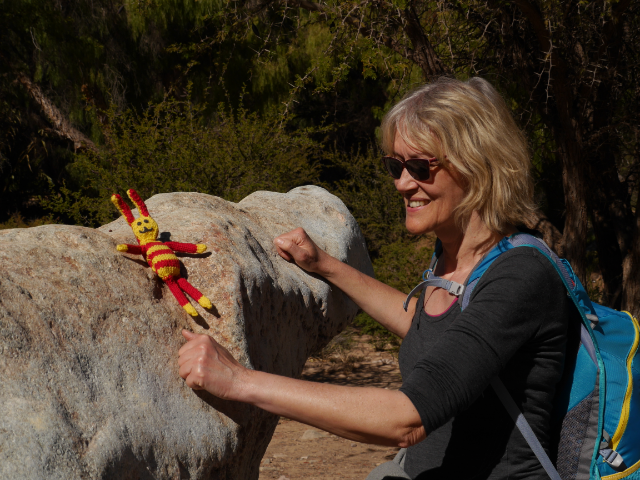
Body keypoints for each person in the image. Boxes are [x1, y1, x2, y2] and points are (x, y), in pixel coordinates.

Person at [177, 77, 573, 479]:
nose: (402, 183)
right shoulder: (452, 258)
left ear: (478, 166)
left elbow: (406, 420)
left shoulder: (521, 276)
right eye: (395, 166)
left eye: (420, 167)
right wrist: (323, 264)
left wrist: (238, 381)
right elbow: (429, 325)